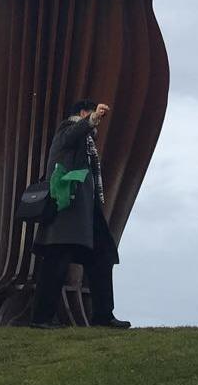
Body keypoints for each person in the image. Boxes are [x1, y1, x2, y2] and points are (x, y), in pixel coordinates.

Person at [30, 100, 131, 329]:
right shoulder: (67, 129)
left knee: (102, 258)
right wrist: (93, 118)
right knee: (56, 263)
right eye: (91, 113)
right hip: (67, 211)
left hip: (86, 213)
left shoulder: (86, 141)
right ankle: (41, 318)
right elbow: (73, 134)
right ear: (83, 113)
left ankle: (104, 315)